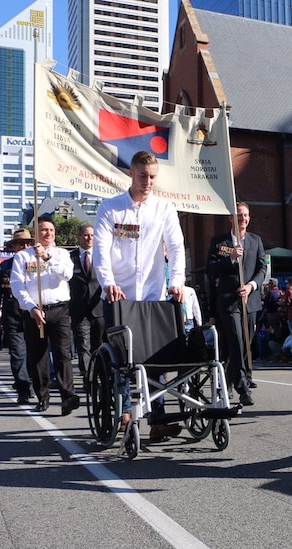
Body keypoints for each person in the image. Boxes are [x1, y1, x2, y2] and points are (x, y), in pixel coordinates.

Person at [93, 150, 187, 439]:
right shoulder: (110, 208)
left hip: (153, 292)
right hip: (120, 296)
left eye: (153, 177)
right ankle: (124, 413)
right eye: (143, 175)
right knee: (122, 359)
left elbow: (176, 246)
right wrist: (107, 281)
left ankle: (158, 420)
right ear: (131, 174)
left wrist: (178, 281)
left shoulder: (164, 209)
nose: (148, 181)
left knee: (157, 360)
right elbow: (100, 250)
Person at [10, 217, 80, 416]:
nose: (48, 233)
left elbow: (67, 275)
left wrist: (47, 259)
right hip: (34, 312)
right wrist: (31, 307)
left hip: (59, 310)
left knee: (63, 353)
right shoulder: (23, 257)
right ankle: (43, 396)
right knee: (37, 355)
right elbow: (17, 284)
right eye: (43, 230)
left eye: (51, 230)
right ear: (35, 233)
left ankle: (68, 396)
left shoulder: (62, 254)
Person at [207, 201, 267, 407]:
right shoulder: (219, 242)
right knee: (236, 341)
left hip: (249, 301)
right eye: (239, 215)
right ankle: (242, 387)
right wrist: (230, 258)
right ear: (230, 218)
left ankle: (229, 377)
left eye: (246, 215)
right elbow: (211, 269)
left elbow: (262, 269)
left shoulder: (256, 240)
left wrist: (251, 286)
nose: (243, 219)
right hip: (229, 302)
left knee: (245, 345)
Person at [0, 228, 34, 404]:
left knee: (35, 352)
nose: (24, 246)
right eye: (20, 243)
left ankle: (35, 384)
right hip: (12, 313)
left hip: (33, 312)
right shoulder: (4, 267)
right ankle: (23, 388)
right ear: (13, 246)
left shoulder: (37, 263)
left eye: (27, 243)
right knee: (18, 354)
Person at [68, 224, 104, 380]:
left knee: (100, 345)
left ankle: (101, 376)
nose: (89, 238)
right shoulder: (70, 257)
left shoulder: (102, 256)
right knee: (84, 346)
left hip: (100, 309)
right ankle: (88, 378)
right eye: (86, 235)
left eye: (92, 235)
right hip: (79, 310)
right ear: (79, 237)